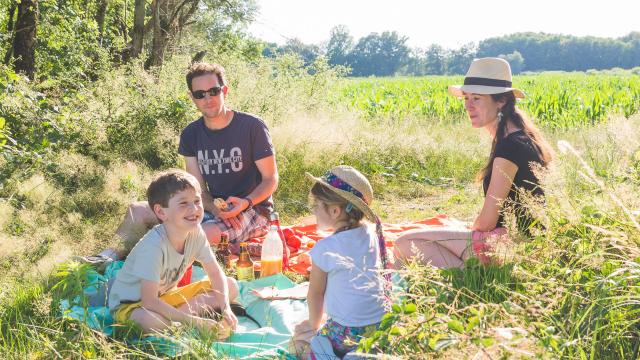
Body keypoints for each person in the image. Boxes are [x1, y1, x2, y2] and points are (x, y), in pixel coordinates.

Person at [394, 57, 553, 269]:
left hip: (511, 247)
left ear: (501, 101)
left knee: (404, 243)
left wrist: (473, 228)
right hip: (522, 242)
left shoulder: (510, 147)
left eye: (476, 98)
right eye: (466, 98)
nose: (468, 106)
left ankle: (469, 278)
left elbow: (487, 221)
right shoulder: (519, 136)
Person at [113, 62, 278, 257]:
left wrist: (245, 203)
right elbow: (197, 188)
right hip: (213, 208)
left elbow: (271, 179)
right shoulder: (191, 134)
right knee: (136, 211)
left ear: (225, 90)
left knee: (198, 234)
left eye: (214, 91)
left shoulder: (252, 126)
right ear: (192, 97)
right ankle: (108, 258)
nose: (208, 99)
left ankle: (146, 257)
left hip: (254, 210)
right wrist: (213, 210)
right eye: (200, 94)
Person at [108, 169, 239, 335]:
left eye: (197, 201)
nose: (194, 209)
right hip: (133, 306)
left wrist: (226, 308)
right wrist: (196, 322)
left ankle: (177, 321)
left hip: (166, 297)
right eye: (183, 203)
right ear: (161, 212)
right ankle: (184, 322)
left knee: (230, 286)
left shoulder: (196, 232)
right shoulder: (153, 246)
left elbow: (214, 272)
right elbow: (149, 301)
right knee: (149, 321)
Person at [293, 165, 390, 359]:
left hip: (345, 333)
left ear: (335, 211)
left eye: (316, 206)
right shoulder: (373, 233)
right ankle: (363, 353)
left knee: (297, 344)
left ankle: (335, 354)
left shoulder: (325, 248)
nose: (313, 211)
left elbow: (316, 293)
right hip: (379, 329)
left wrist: (313, 325)